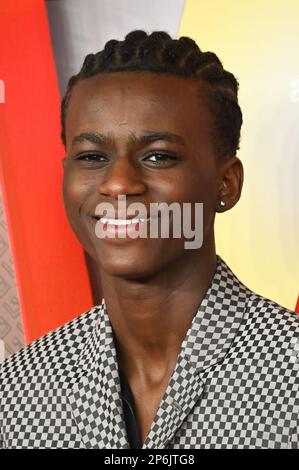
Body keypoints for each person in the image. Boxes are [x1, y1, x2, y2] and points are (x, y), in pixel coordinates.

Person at [0, 30, 298, 449]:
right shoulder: (20, 389)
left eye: (158, 155)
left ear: (226, 183)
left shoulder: (290, 374)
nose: (119, 184)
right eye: (92, 157)